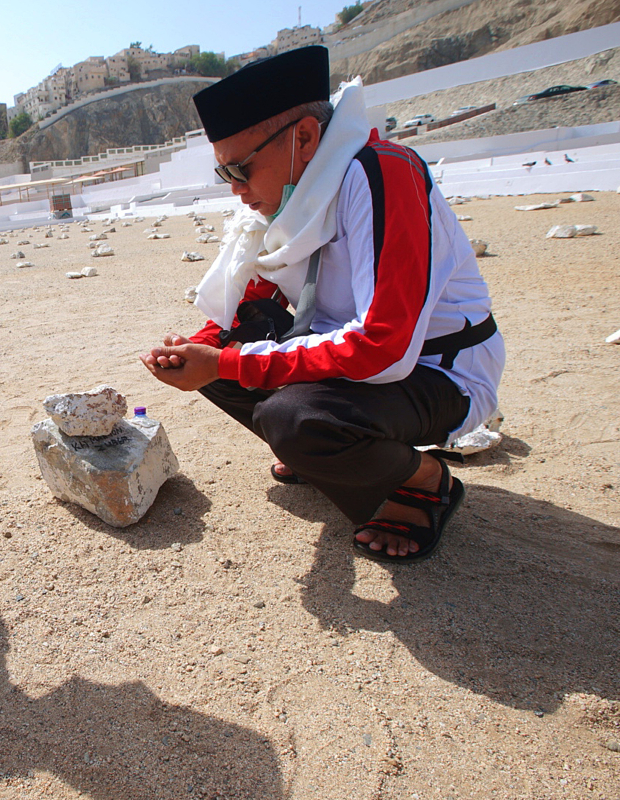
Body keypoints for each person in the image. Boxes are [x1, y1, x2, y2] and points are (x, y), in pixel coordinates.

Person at [140, 47, 504, 563]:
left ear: (305, 138)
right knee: (220, 356)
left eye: (242, 169)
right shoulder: (296, 192)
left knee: (295, 418)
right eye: (226, 175)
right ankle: (336, 457)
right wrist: (199, 351)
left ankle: (424, 483)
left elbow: (386, 346)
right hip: (358, 361)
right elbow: (257, 294)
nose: (238, 192)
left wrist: (224, 360)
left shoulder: (383, 174)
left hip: (438, 368)